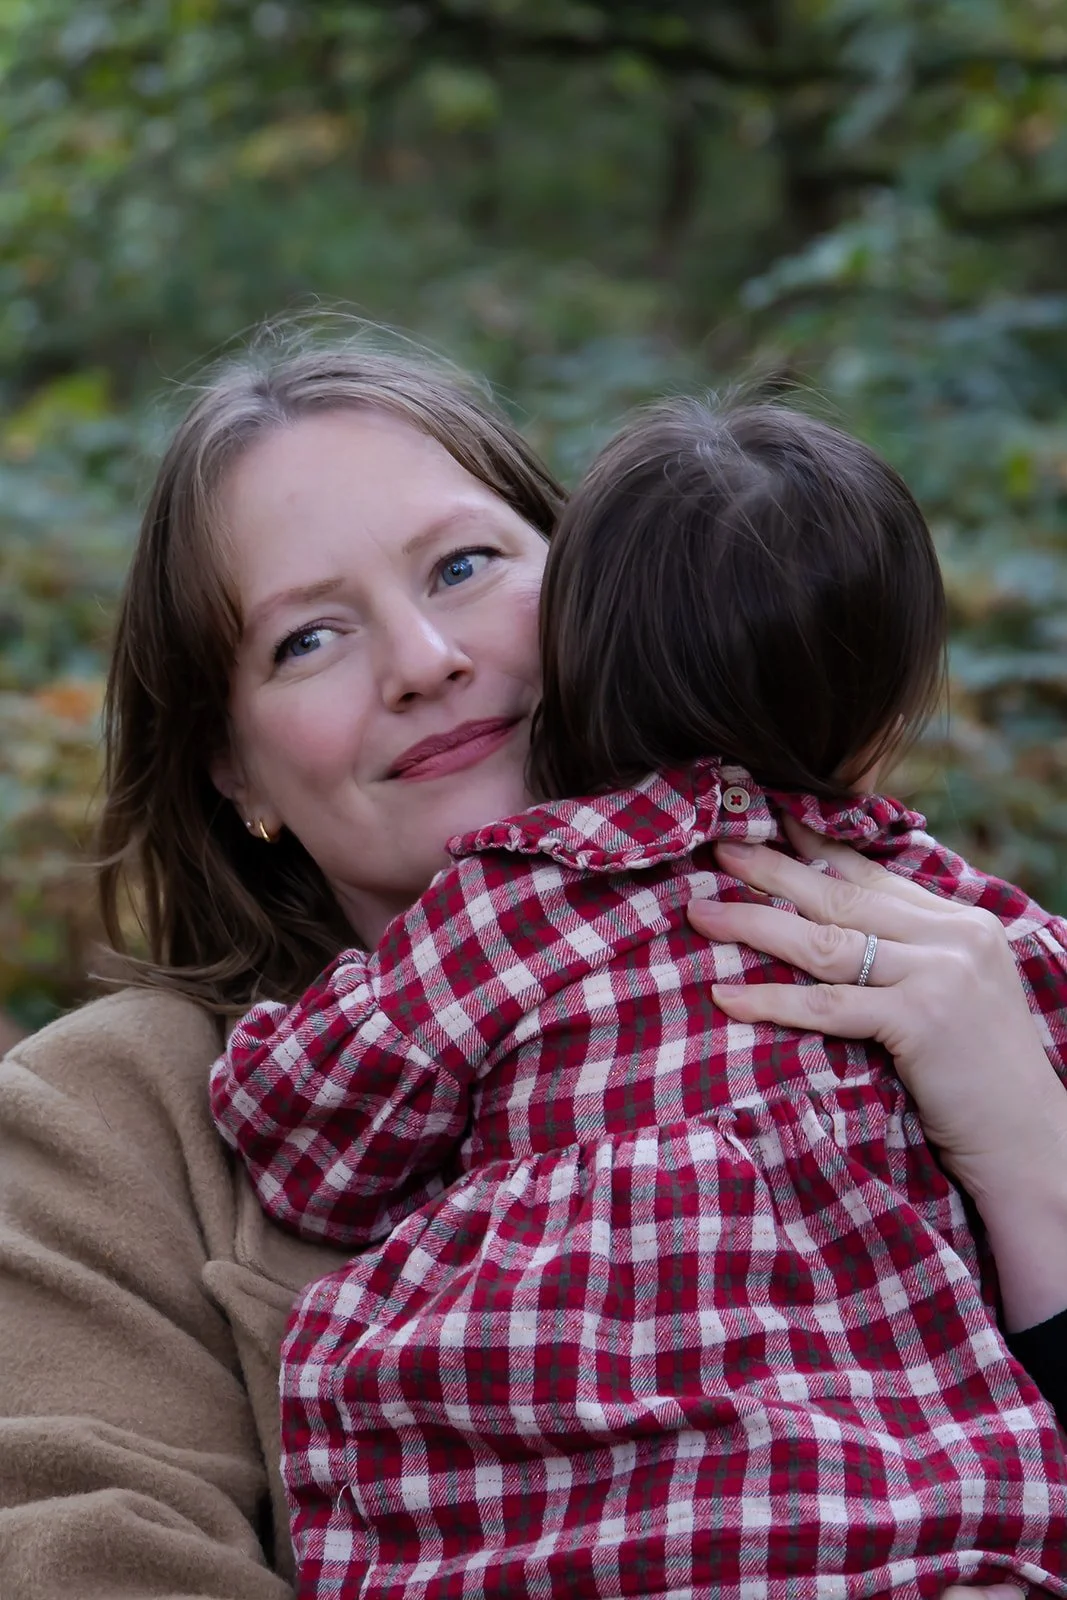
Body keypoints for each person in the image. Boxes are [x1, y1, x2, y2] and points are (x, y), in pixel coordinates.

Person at [0, 332, 1058, 1600]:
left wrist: (1030, 1159)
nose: (423, 661)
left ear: (590, 576)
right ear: (233, 768)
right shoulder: (109, 1119)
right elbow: (89, 1549)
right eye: (307, 639)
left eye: (462, 566)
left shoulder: (947, 950)